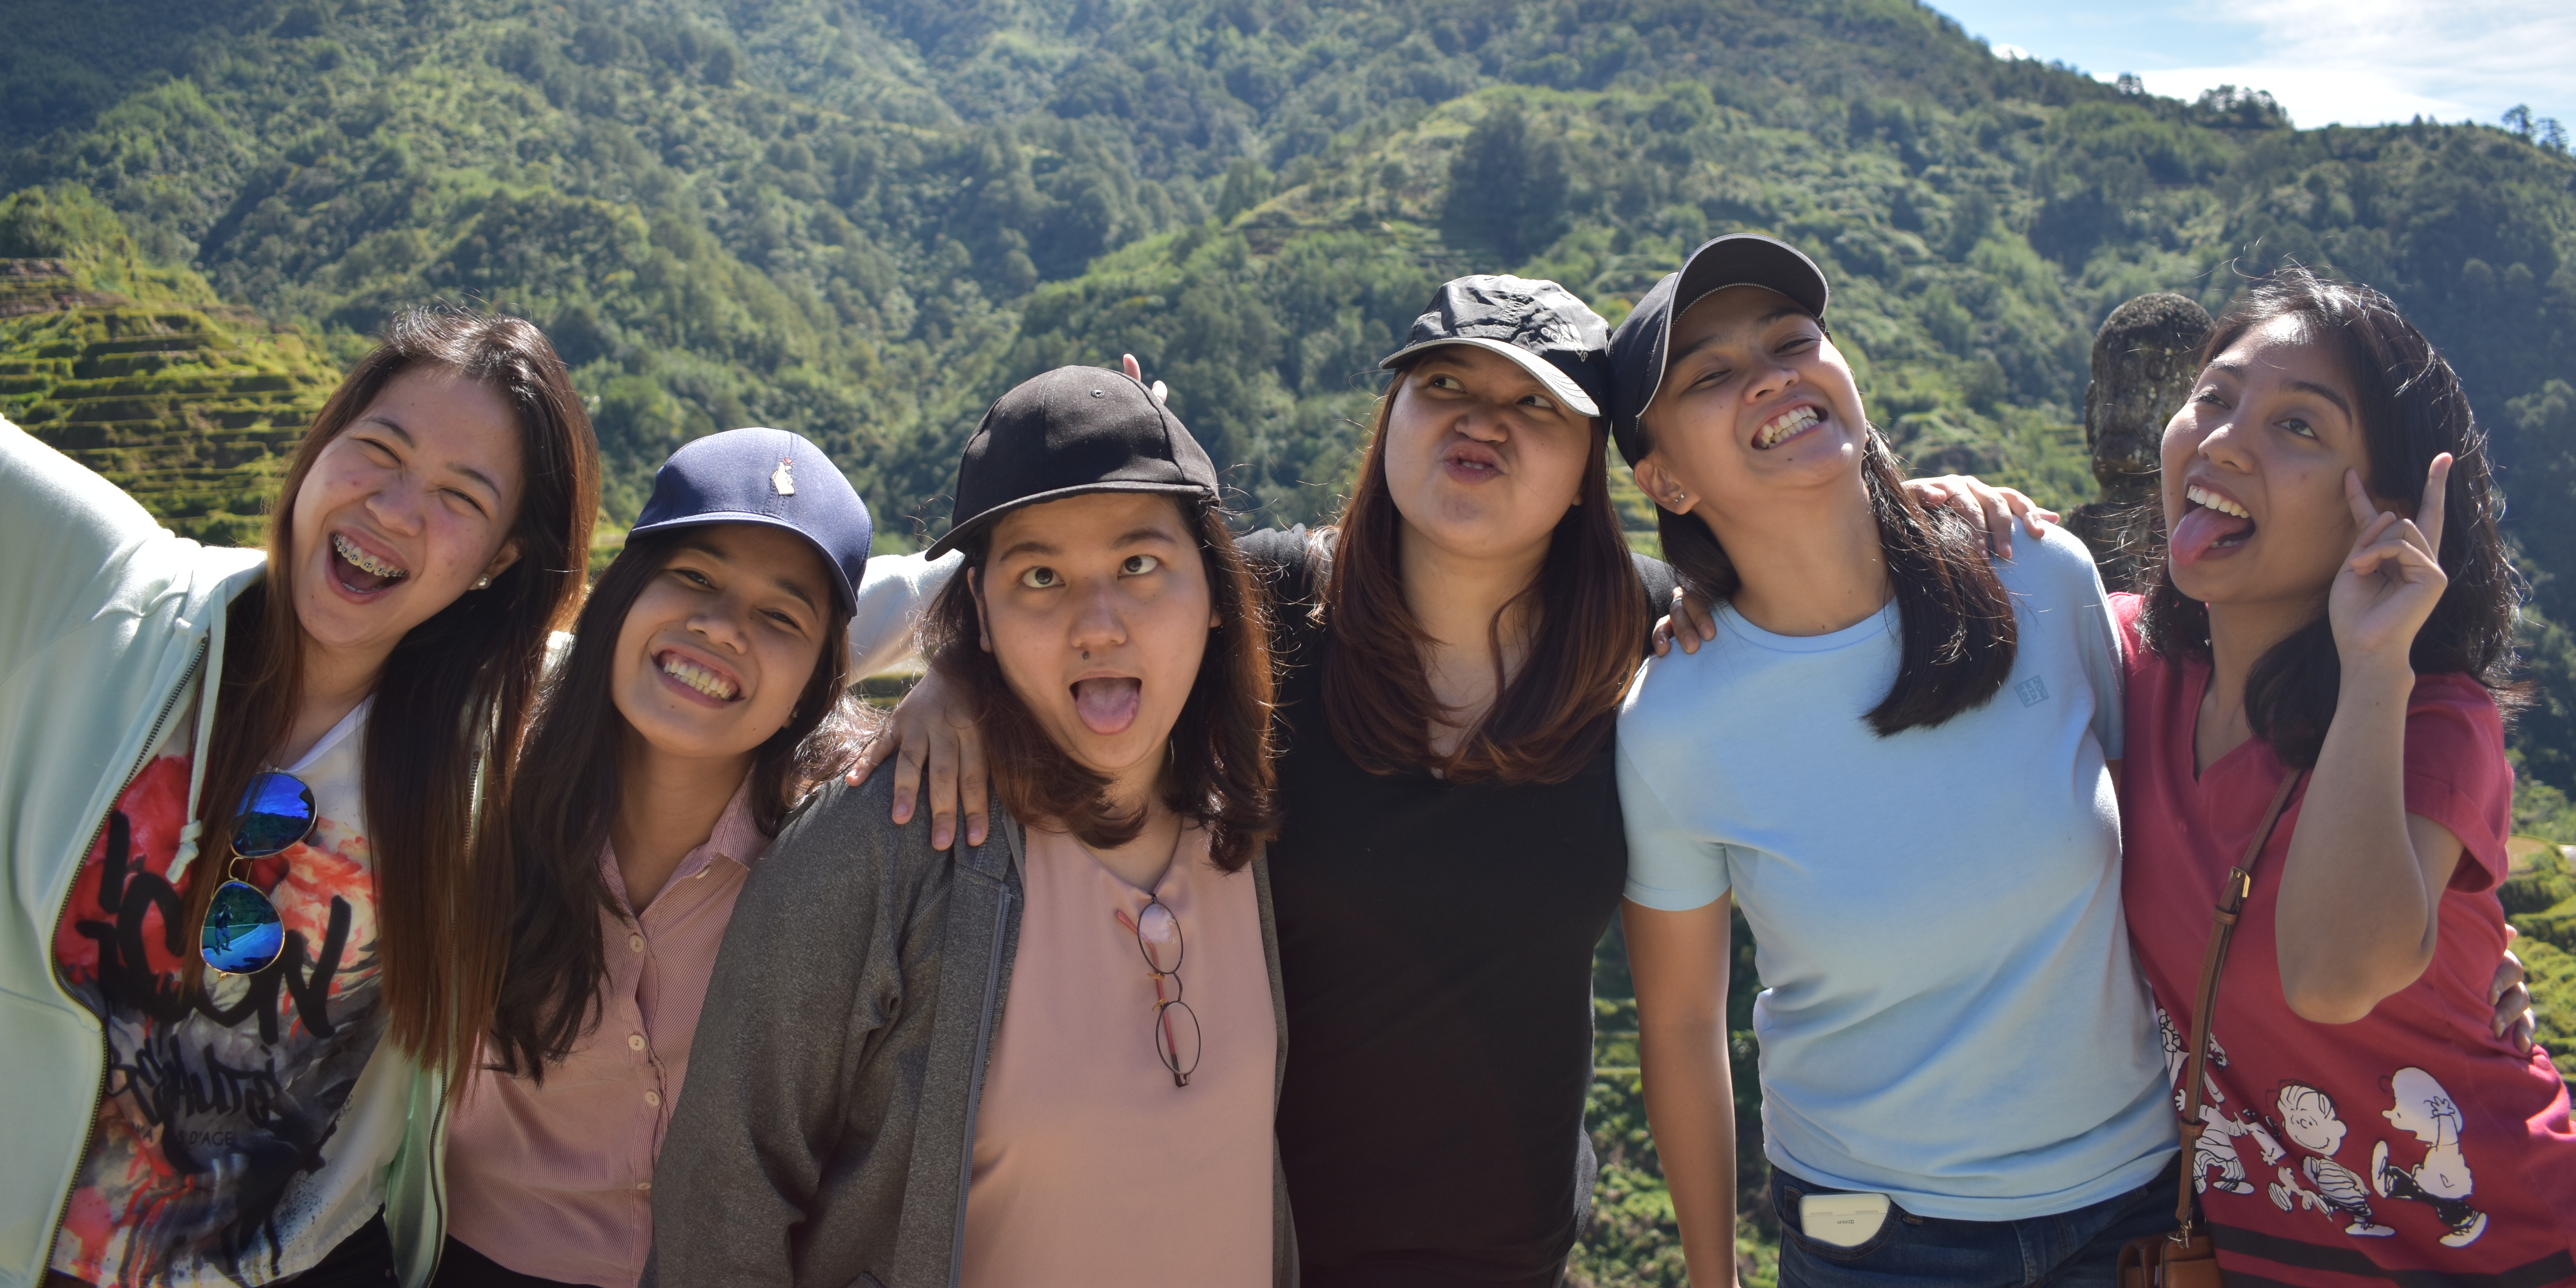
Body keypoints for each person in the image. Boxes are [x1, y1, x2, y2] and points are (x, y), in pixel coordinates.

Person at [855, 274, 2050, 1288]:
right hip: (1270, 1244)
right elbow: (1071, 588)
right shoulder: (1278, 606)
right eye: (1445, 385)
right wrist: (959, 671)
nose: (1484, 421)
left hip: (1519, 1253)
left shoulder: (1642, 636)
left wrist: (1929, 508)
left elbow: (1806, 558)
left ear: (1590, 468)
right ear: (1393, 418)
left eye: (1536, 404)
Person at [1611, 234, 2179, 1288]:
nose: (1771, 376)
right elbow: (1684, 1024)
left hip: (2140, 1201)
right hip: (1878, 1235)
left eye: (1792, 341)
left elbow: (2173, 834)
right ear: (1666, 479)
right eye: (1711, 374)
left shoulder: (2039, 574)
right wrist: (1711, 1273)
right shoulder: (1673, 725)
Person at [645, 366, 1292, 1288]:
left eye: (1140, 565)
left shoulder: (1253, 821)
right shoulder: (886, 843)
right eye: (1040, 577)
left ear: (1216, 590)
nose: (1097, 624)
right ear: (981, 616)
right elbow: (724, 1199)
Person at [3, 309, 598, 1288]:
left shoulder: (501, 732)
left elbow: (733, 634)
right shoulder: (120, 600)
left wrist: (912, 691)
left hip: (307, 1264)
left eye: (460, 496)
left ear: (500, 560)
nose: (395, 509)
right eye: (380, 451)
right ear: (320, 445)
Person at [2114, 266, 2576, 1279]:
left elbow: (2331, 978)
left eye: (2300, 426)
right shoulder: (2121, 663)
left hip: (2504, 1250)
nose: (2226, 440)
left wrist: (2373, 661)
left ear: (2386, 511)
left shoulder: (2430, 721)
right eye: (2215, 396)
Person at [434, 430, 885, 1288]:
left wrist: (954, 690)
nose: (721, 628)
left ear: (816, 678)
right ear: (623, 595)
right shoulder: (482, 787)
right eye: (696, 578)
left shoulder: (846, 844)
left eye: (780, 617)